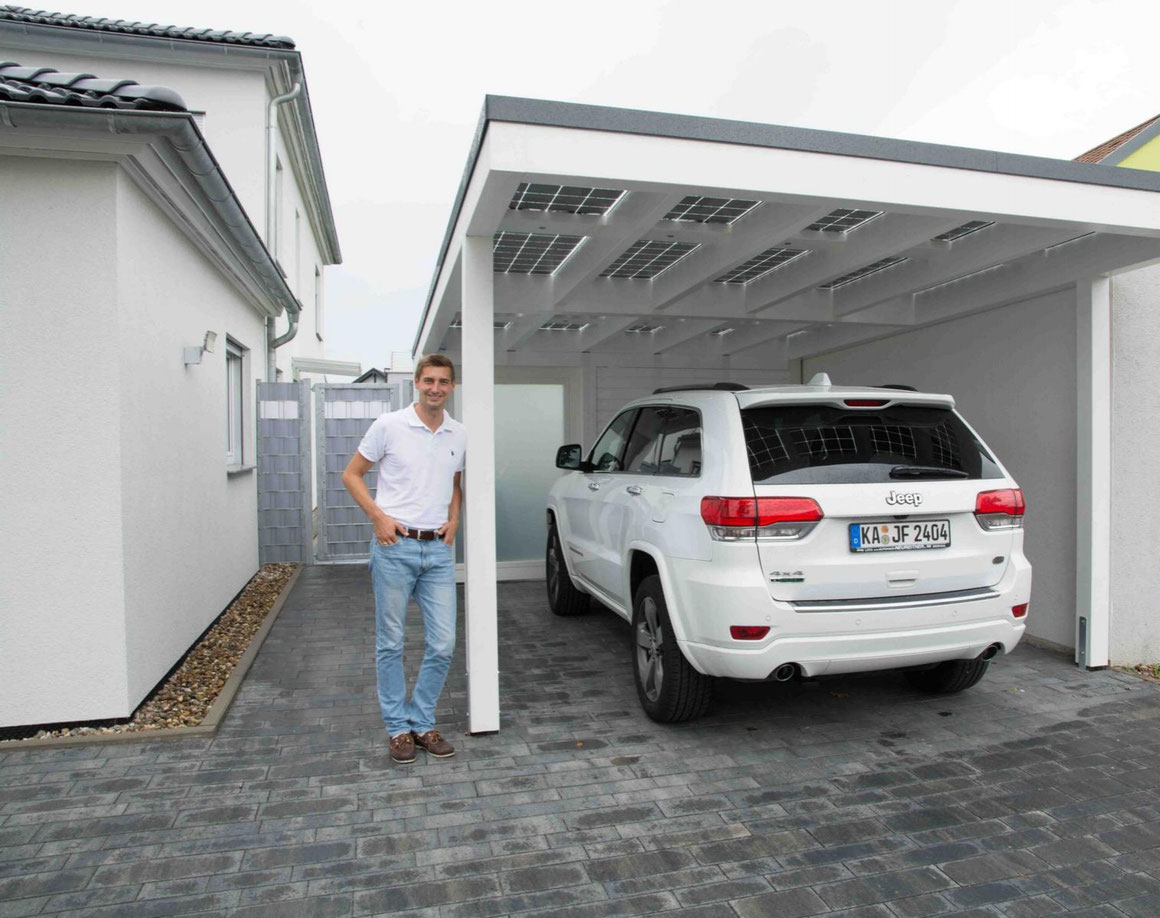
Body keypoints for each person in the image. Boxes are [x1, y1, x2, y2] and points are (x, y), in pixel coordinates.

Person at [342, 354, 465, 764]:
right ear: (416, 382)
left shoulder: (458, 434)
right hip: (395, 547)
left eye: (443, 382)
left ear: (452, 387)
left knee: (444, 643)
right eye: (428, 380)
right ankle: (398, 729)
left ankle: (423, 721)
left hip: (438, 552)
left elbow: (455, 483)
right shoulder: (389, 426)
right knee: (391, 642)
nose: (435, 388)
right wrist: (378, 517)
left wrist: (454, 520)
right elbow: (351, 474)